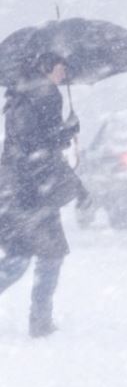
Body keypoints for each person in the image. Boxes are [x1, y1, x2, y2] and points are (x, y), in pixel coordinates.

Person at [0, 52, 88, 338]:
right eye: (61, 68)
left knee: (21, 256)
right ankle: (40, 320)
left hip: (16, 188)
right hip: (33, 192)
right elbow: (41, 146)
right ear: (47, 66)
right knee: (44, 256)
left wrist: (62, 133)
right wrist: (67, 131)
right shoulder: (46, 94)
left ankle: (41, 319)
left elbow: (31, 141)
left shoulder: (20, 94)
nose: (64, 74)